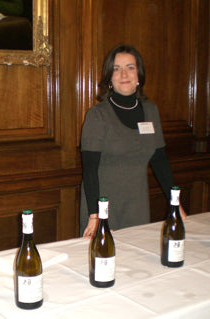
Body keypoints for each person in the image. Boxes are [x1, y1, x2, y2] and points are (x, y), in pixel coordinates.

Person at [80, 44, 187, 238]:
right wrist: (95, 215)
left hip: (137, 206)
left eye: (130, 67)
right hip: (102, 207)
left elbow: (160, 160)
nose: (124, 74)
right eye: (117, 68)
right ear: (109, 78)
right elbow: (89, 169)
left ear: (139, 74)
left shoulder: (151, 111)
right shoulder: (97, 115)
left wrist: (176, 202)